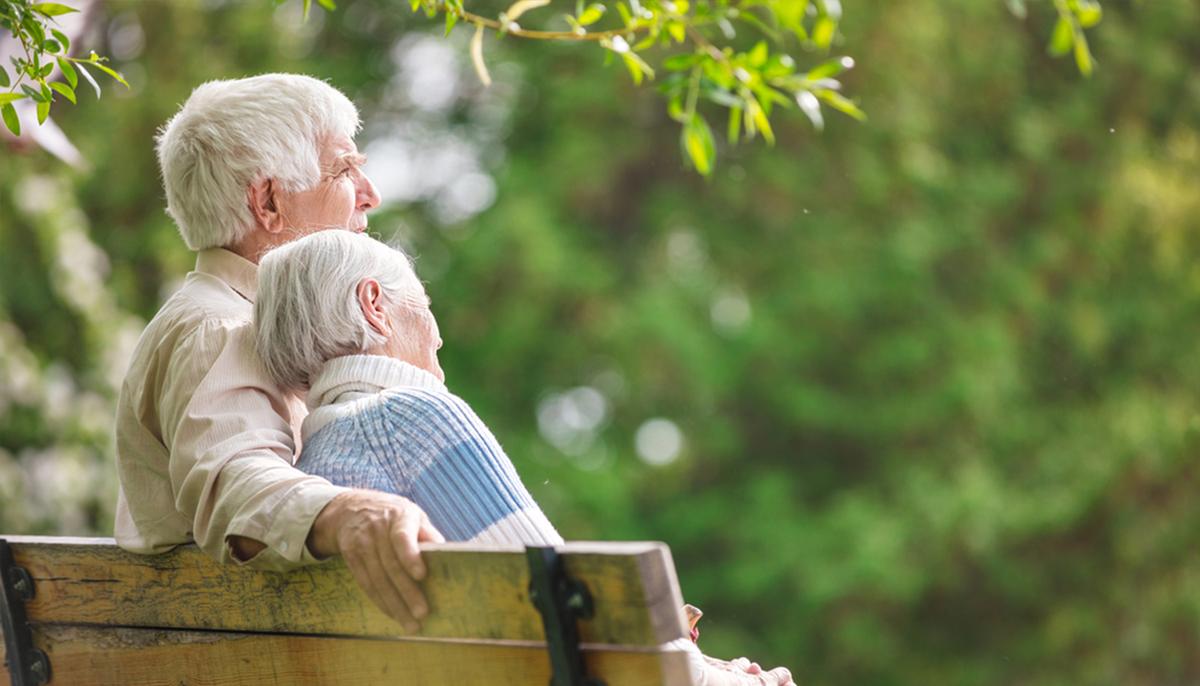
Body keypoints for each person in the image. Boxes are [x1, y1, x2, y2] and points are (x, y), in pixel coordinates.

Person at [253, 230, 796, 686]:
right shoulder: (410, 418)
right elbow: (578, 621)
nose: (438, 336)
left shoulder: (311, 461)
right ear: (375, 306)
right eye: (425, 305)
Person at [113, 74, 440, 633]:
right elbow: (234, 479)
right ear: (267, 201)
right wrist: (350, 512)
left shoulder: (252, 322)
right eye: (344, 170)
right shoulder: (221, 327)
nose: (371, 194)